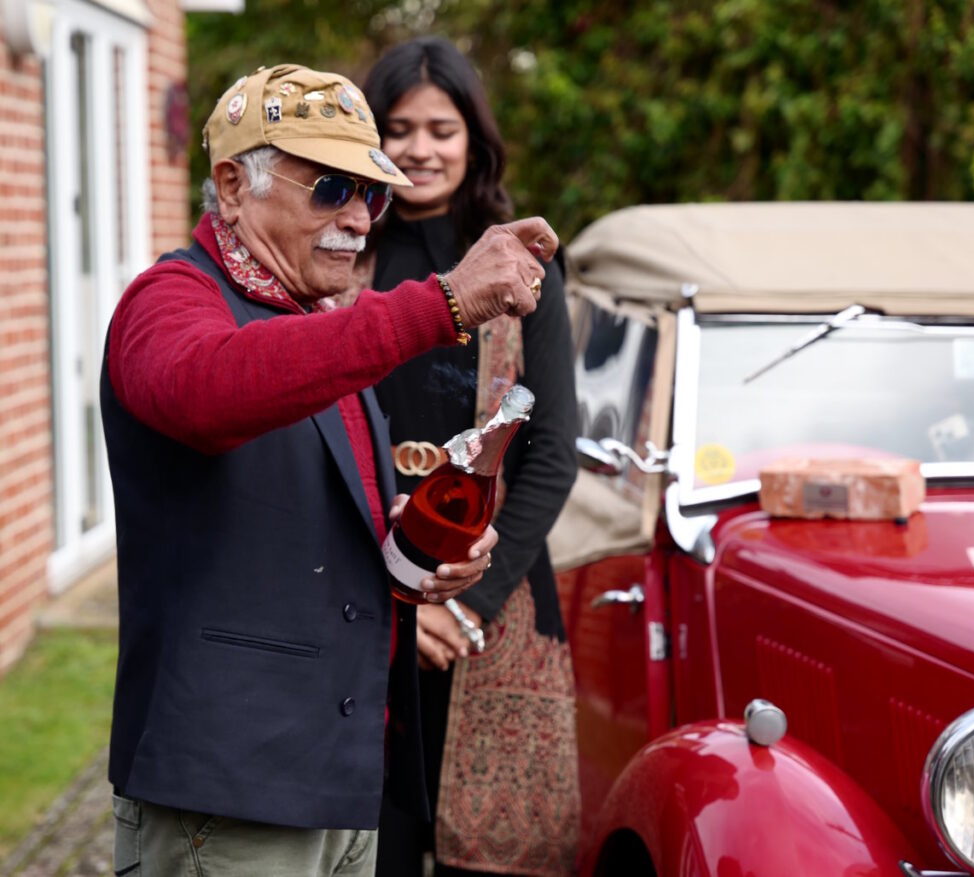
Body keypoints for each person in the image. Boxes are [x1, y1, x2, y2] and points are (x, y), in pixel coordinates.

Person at [100, 62, 559, 877]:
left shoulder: (311, 320)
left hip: (335, 783)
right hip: (233, 795)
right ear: (233, 186)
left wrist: (421, 560)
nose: (356, 218)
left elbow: (309, 524)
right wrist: (443, 302)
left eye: (370, 195)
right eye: (329, 190)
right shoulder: (169, 299)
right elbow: (210, 389)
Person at [358, 38, 581, 877]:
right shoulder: (342, 262)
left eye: (441, 129)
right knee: (365, 850)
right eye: (399, 128)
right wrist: (401, 609)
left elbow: (553, 451)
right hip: (363, 601)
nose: (420, 148)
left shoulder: (523, 270)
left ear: (473, 139)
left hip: (497, 610)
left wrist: (462, 606)